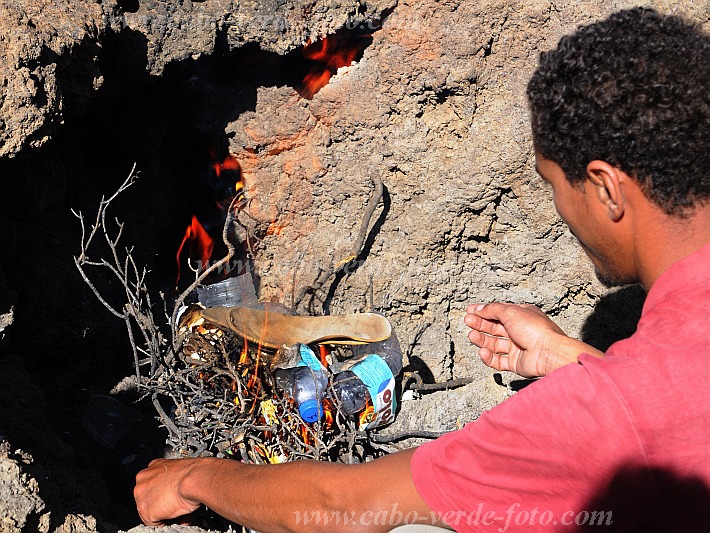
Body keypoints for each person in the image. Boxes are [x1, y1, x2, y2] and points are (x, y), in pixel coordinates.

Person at [134, 8, 710, 531]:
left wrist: (194, 477)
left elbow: (345, 506)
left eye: (555, 187)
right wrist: (571, 358)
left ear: (608, 188)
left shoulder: (596, 420)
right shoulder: (655, 376)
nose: (561, 214)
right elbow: (672, 409)